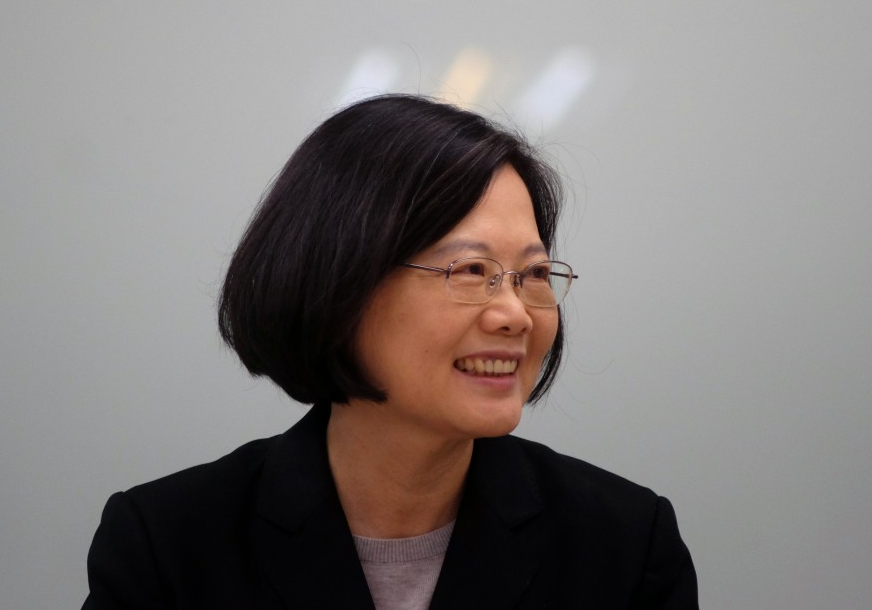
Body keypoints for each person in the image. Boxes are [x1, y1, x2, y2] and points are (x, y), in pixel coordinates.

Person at [82, 94, 698, 609]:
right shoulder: (166, 545)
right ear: (338, 286)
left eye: (533, 275)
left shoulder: (624, 543)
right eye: (471, 268)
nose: (514, 313)